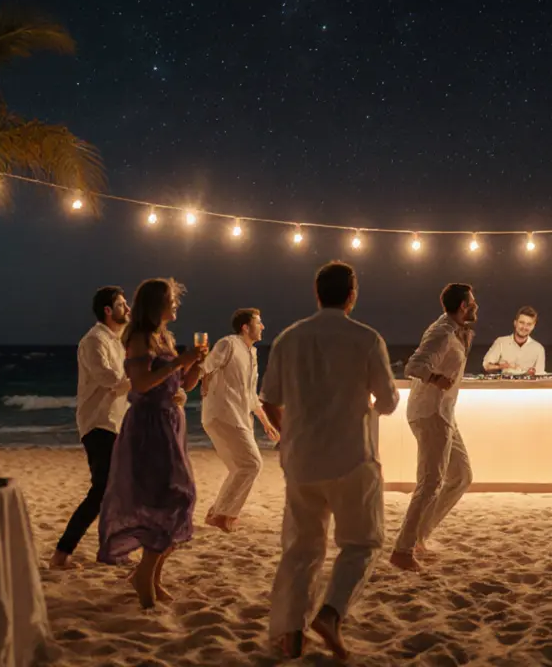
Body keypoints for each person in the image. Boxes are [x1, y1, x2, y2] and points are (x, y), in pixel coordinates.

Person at [262, 261, 400, 660]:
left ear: (316, 292)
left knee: (302, 548)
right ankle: (332, 613)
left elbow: (270, 400)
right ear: (352, 294)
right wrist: (370, 404)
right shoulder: (366, 338)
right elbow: (389, 401)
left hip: (302, 460)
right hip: (351, 458)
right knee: (362, 542)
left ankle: (291, 634)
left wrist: (291, 434)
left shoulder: (289, 338)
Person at [97, 278, 206, 609]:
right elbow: (141, 383)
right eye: (172, 299)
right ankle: (144, 575)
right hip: (148, 426)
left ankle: (152, 576)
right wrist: (177, 362)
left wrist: (195, 367)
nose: (176, 304)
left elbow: (180, 382)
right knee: (172, 497)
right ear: (157, 303)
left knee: (175, 499)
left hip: (170, 423)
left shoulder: (166, 338)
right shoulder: (141, 338)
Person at [390, 283, 477, 572]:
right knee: (430, 482)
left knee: (462, 475)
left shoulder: (453, 331)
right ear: (463, 306)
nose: (476, 307)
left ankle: (418, 536)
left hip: (444, 413)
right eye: (472, 302)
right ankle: (402, 551)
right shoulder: (441, 331)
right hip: (429, 414)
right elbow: (413, 366)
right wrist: (436, 378)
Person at [49, 286, 132, 570]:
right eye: (122, 304)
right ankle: (61, 553)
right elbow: (111, 379)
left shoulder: (119, 343)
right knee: (102, 490)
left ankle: (111, 549)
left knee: (115, 489)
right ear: (108, 311)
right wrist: (147, 377)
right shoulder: (94, 341)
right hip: (98, 423)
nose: (128, 309)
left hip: (117, 423)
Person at [200, 307, 280, 533]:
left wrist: (266, 422)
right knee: (252, 464)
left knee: (240, 467)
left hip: (237, 416)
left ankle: (217, 512)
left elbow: (250, 395)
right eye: (259, 322)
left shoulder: (252, 353)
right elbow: (205, 365)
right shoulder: (228, 344)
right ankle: (223, 515)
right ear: (245, 327)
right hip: (223, 414)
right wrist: (205, 380)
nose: (263, 326)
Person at [482, 306, 546, 375]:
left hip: (527, 385)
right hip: (504, 384)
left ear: (533, 326)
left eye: (529, 324)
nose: (524, 327)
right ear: (515, 323)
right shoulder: (501, 342)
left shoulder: (539, 348)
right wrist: (501, 366)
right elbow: (486, 366)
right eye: (521, 322)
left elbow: (540, 376)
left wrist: (531, 373)